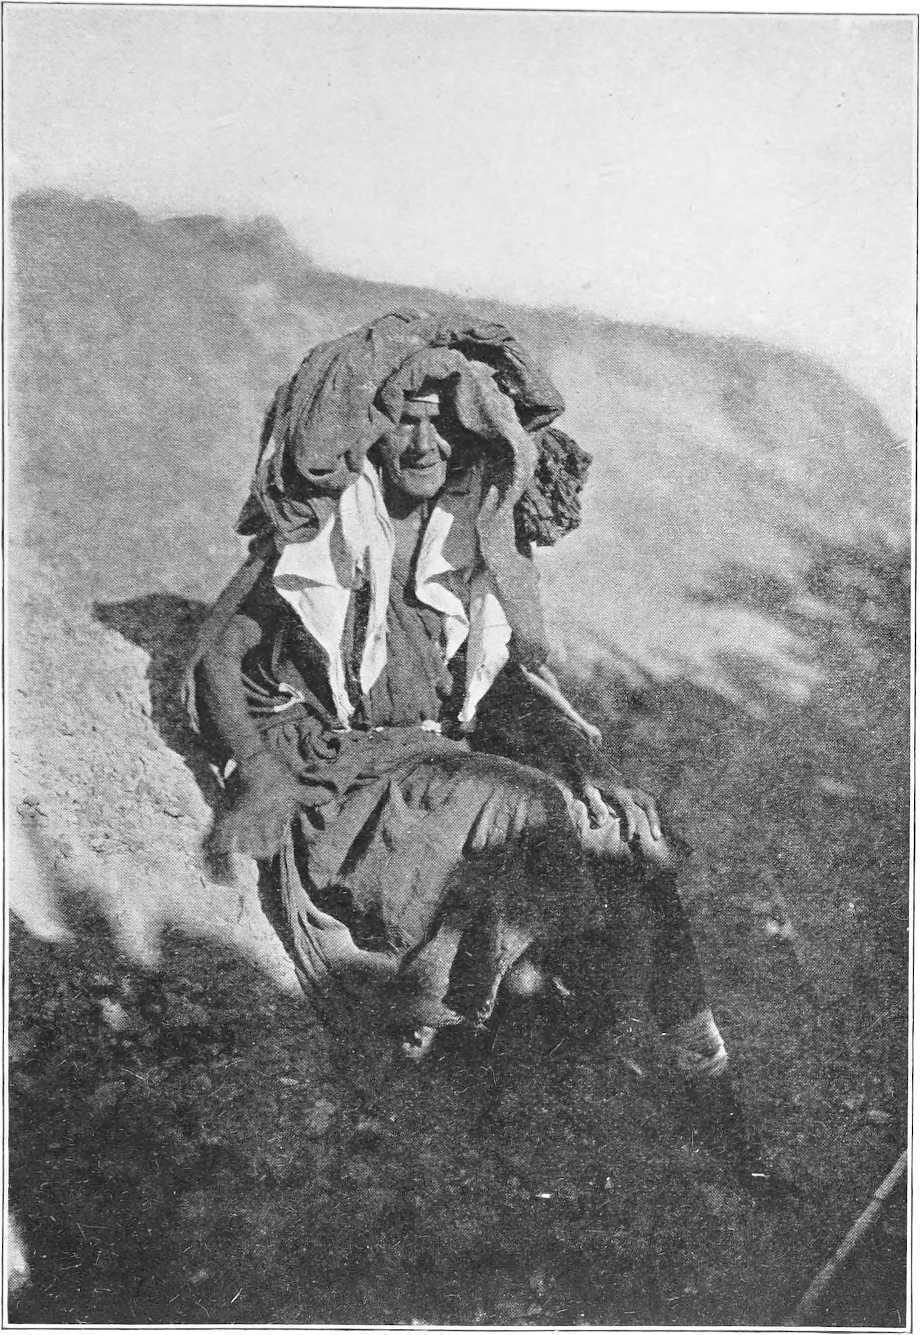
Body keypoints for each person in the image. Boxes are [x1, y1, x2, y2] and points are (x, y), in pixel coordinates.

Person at [183, 309, 772, 1185]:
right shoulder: (332, 533)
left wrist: (588, 765)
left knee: (633, 835)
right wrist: (260, 775)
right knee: (528, 812)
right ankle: (427, 1027)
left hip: (436, 769)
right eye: (403, 419)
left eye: (442, 422)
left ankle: (710, 1092)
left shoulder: (466, 536)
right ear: (373, 431)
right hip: (350, 777)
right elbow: (216, 655)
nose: (423, 442)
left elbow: (495, 689)